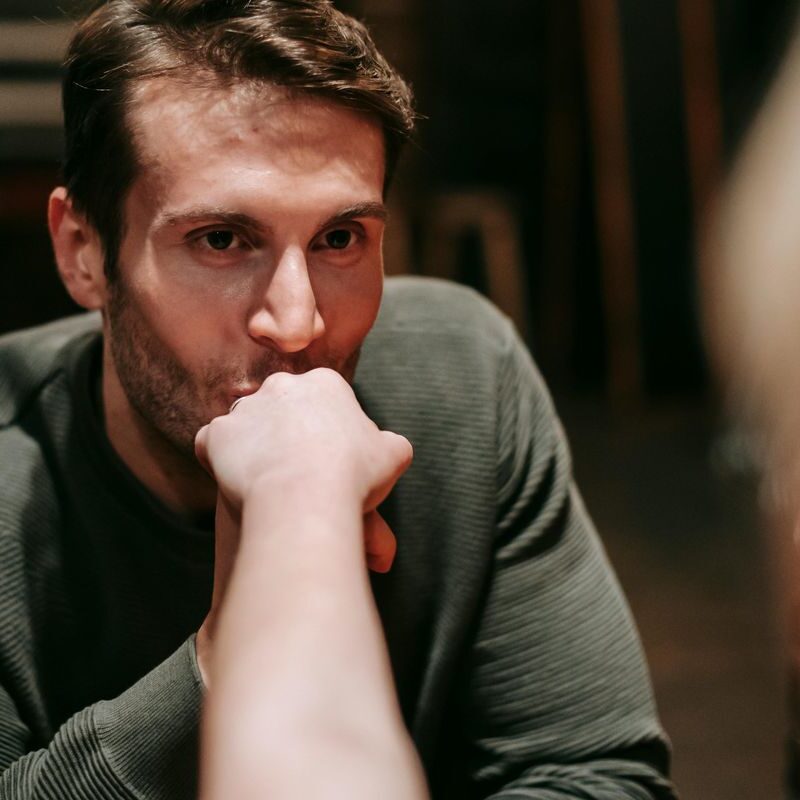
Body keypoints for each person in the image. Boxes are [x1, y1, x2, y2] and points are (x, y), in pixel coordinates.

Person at [0, 1, 677, 798]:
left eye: (339, 238)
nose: (297, 324)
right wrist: (230, 649)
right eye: (220, 240)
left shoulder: (465, 373)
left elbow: (597, 776)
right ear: (83, 251)